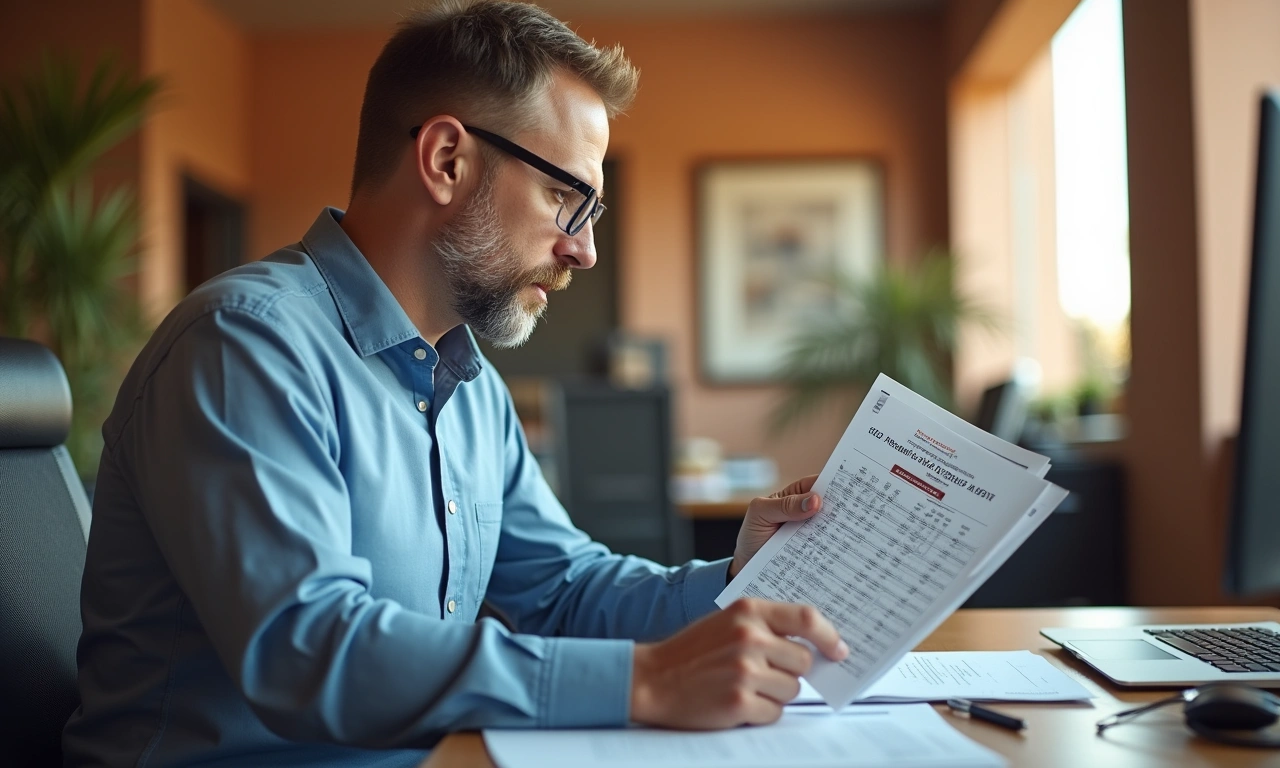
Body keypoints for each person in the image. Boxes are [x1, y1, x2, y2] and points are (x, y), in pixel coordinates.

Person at [63, 1, 847, 765]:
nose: (585, 252)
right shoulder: (245, 346)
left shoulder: (470, 388)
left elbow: (563, 591)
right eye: (566, 199)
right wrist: (646, 680)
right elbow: (306, 650)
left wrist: (738, 580)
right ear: (446, 160)